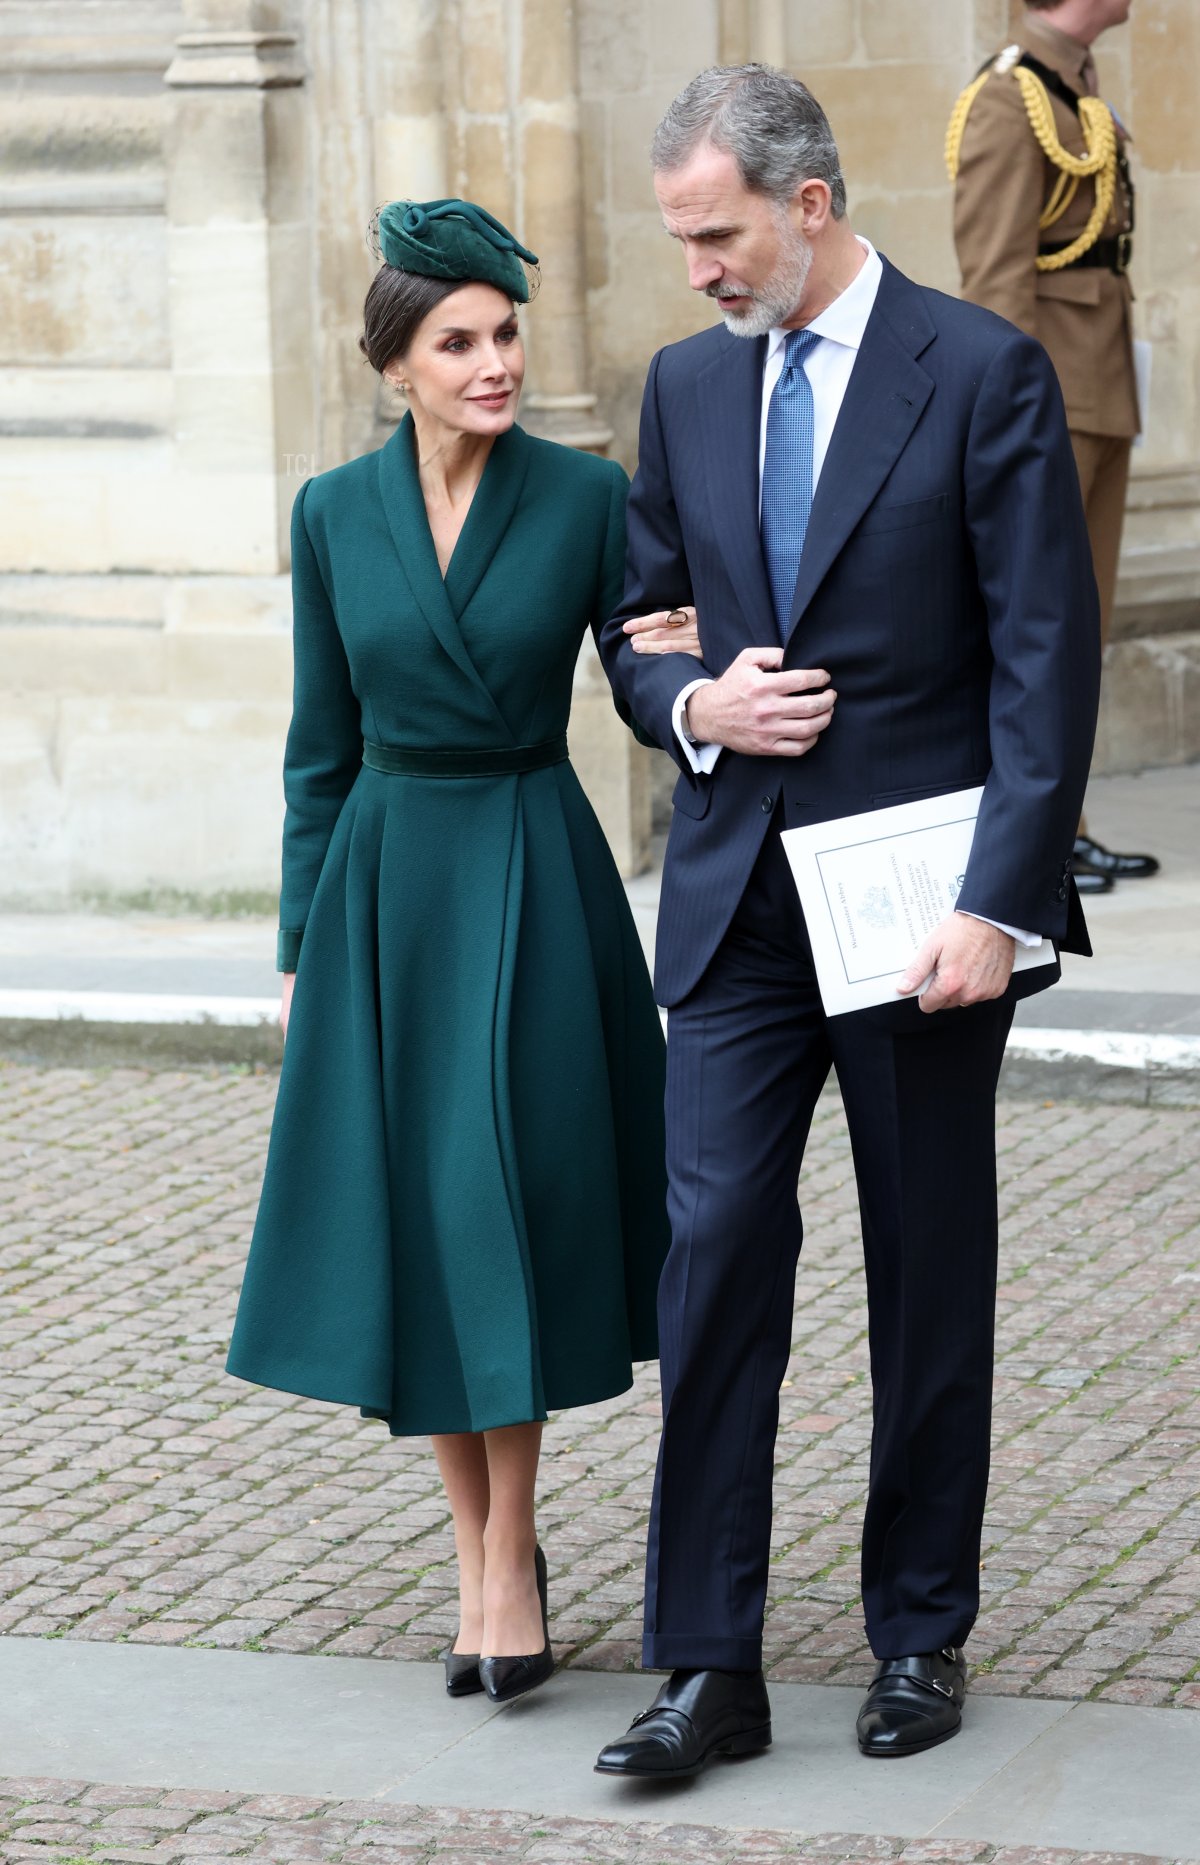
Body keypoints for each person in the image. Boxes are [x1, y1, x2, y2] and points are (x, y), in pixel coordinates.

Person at [593, 65, 1099, 1774]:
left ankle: (917, 1635)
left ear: (809, 205)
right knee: (716, 1250)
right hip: (737, 905)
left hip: (917, 920)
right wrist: (691, 710)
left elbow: (1046, 663)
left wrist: (998, 905)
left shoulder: (982, 372)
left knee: (926, 1267)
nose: (698, 272)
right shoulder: (678, 386)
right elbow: (639, 625)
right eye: (680, 239)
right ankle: (706, 1665)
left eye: (718, 235)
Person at [226, 198, 688, 1708]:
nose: (494, 363)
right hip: (383, 891)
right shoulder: (329, 514)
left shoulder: (584, 495)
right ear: (397, 365)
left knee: (514, 1202)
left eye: (505, 335)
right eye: (460, 342)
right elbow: (318, 747)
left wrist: (702, 683)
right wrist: (302, 947)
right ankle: (478, 1548)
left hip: (534, 870)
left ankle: (512, 1553)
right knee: (425, 1219)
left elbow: (646, 659)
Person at [948, 0, 1158, 892]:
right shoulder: (1008, 98)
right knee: (1037, 630)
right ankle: (1026, 838)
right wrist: (1014, 429)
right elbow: (995, 284)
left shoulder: (1075, 89)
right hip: (1052, 411)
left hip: (1101, 390)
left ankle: (1060, 825)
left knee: (1084, 626)